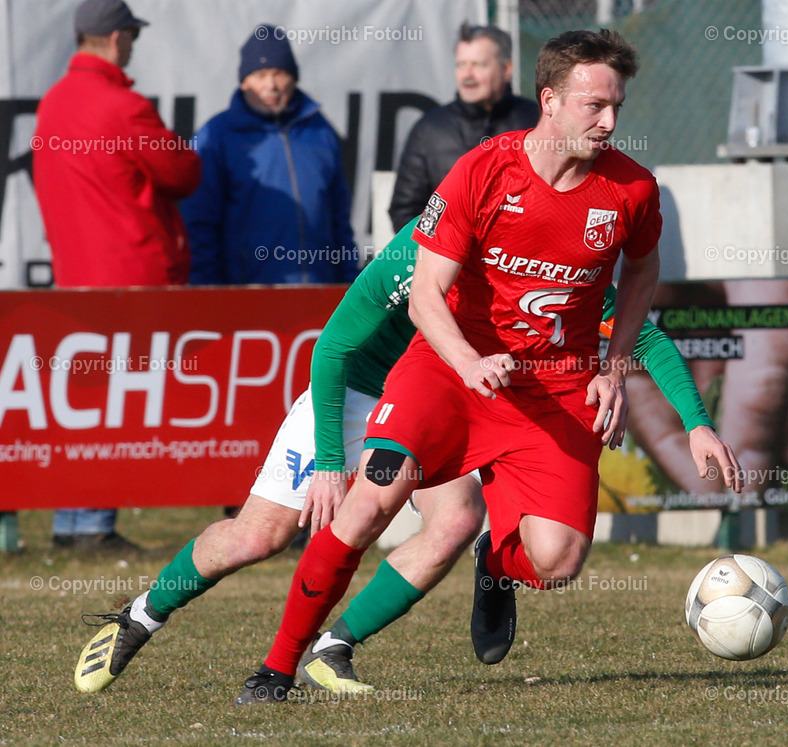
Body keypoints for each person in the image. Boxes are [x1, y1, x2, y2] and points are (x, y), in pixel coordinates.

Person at [236, 29, 742, 703]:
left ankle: (494, 563)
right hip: (449, 374)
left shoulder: (632, 190)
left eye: (617, 105)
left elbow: (644, 274)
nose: (610, 121)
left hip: (553, 389)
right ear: (550, 100)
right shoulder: (482, 170)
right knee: (368, 504)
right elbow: (423, 295)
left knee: (558, 560)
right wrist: (468, 361)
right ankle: (275, 668)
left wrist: (629, 377)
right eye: (594, 105)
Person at [72, 220, 735, 695]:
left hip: (445, 396)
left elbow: (639, 332)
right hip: (359, 394)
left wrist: (695, 420)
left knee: (453, 521)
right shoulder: (417, 250)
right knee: (260, 534)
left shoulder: (536, 253)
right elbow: (331, 348)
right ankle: (139, 618)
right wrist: (332, 458)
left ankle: (334, 649)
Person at [33, 0, 201, 552]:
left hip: (76, 271)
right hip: (131, 270)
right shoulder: (122, 105)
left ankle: (72, 521)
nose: (132, 45)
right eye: (131, 35)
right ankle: (92, 526)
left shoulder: (54, 104)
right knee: (117, 400)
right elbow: (182, 171)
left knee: (87, 396)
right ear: (114, 38)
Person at [181, 24, 357, 285]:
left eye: (279, 73)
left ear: (294, 78)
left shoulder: (320, 131)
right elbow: (199, 225)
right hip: (247, 297)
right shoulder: (217, 135)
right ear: (243, 82)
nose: (271, 85)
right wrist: (209, 294)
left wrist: (350, 284)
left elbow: (339, 221)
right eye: (260, 75)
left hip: (321, 292)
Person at [388, 22, 538, 232]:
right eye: (461, 65)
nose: (467, 75)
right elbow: (405, 210)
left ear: (506, 69)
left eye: (478, 65)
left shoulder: (536, 121)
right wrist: (444, 254)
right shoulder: (430, 128)